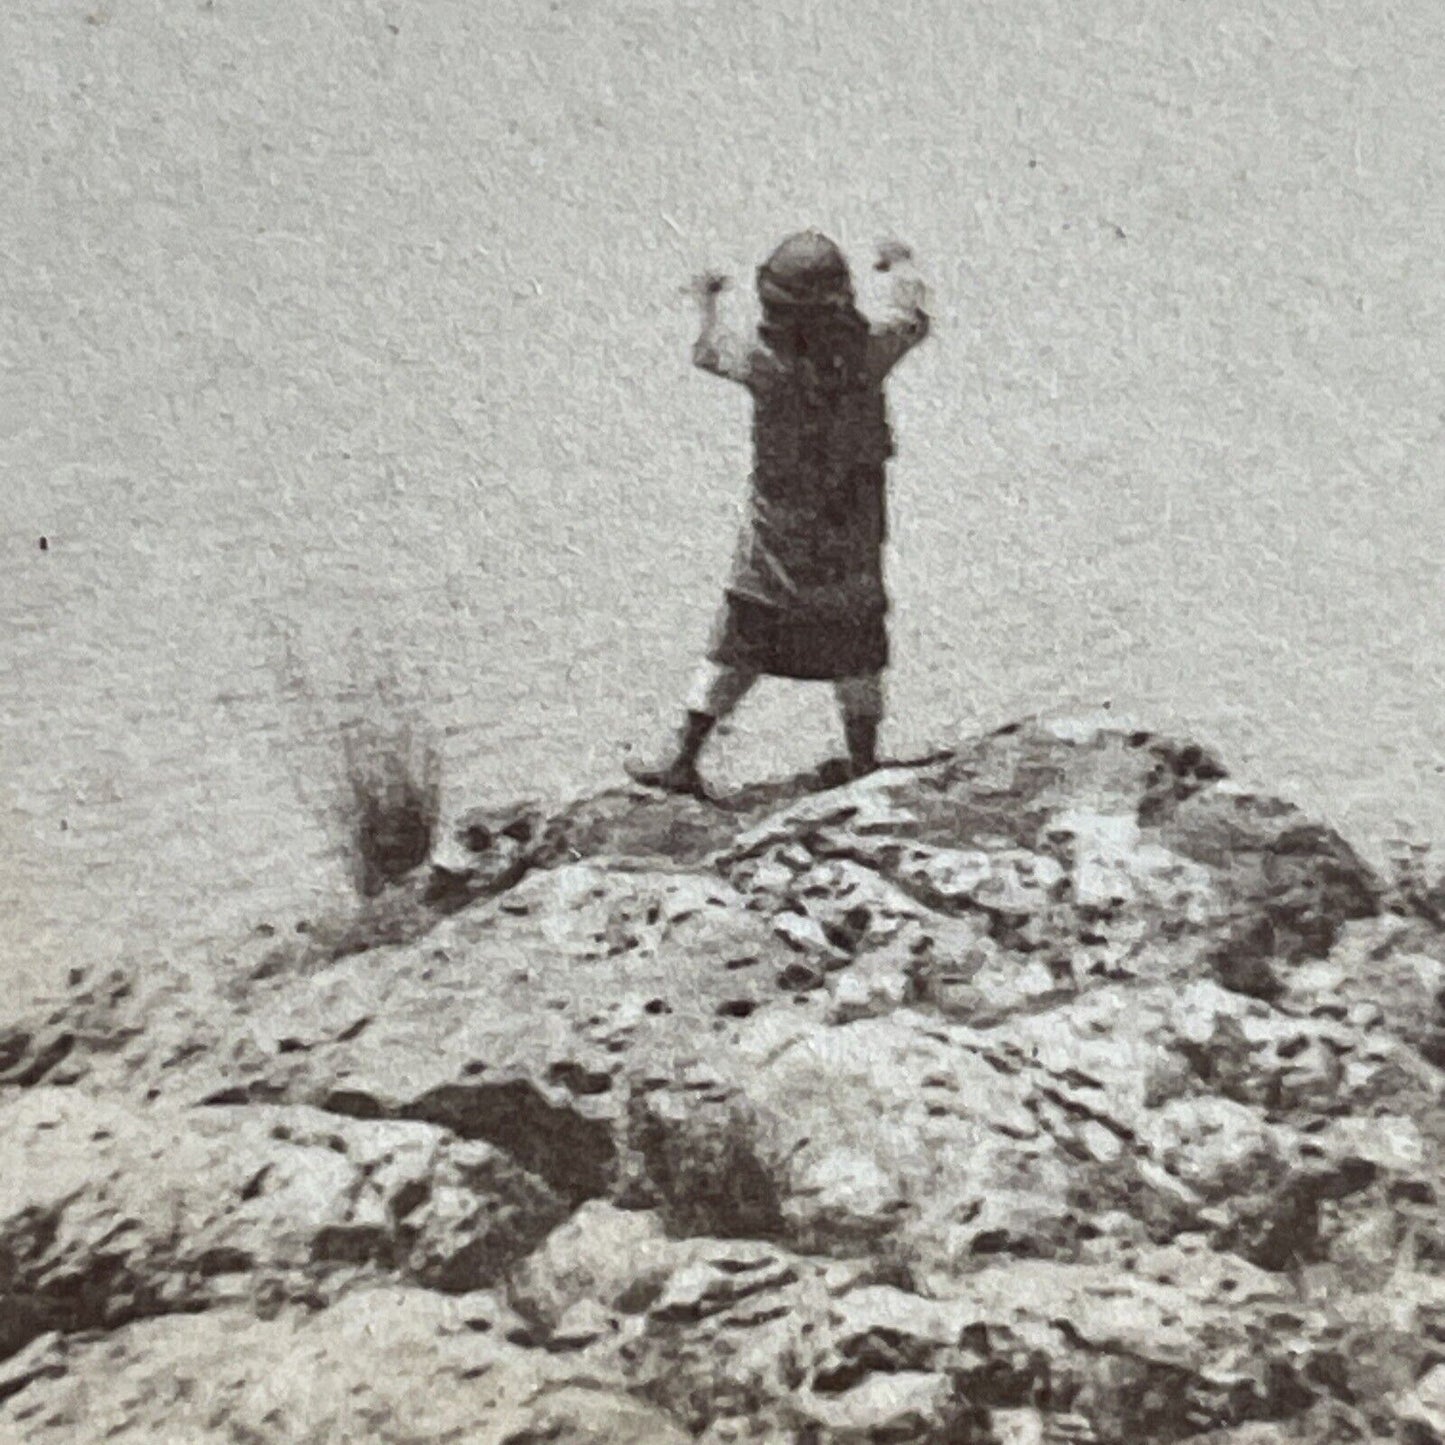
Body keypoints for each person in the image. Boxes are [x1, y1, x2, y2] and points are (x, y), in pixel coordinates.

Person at [627, 229, 931, 797]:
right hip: (852, 539)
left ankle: (683, 758)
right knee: (857, 645)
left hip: (776, 545)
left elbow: (707, 350)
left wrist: (706, 300)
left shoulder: (764, 362)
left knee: (737, 643)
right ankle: (863, 760)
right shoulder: (870, 351)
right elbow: (912, 318)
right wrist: (899, 265)